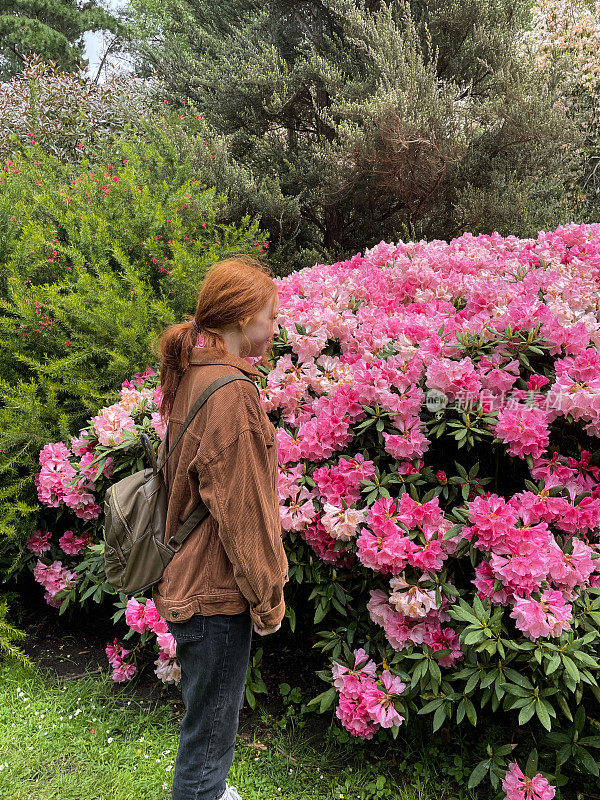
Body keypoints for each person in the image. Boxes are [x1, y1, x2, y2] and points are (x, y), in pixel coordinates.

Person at [152, 255, 288, 800]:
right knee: (208, 744)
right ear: (242, 316)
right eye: (272, 316)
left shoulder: (197, 375)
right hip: (215, 595)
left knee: (205, 728)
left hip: (190, 583)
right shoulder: (231, 393)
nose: (277, 327)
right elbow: (245, 512)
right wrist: (268, 597)